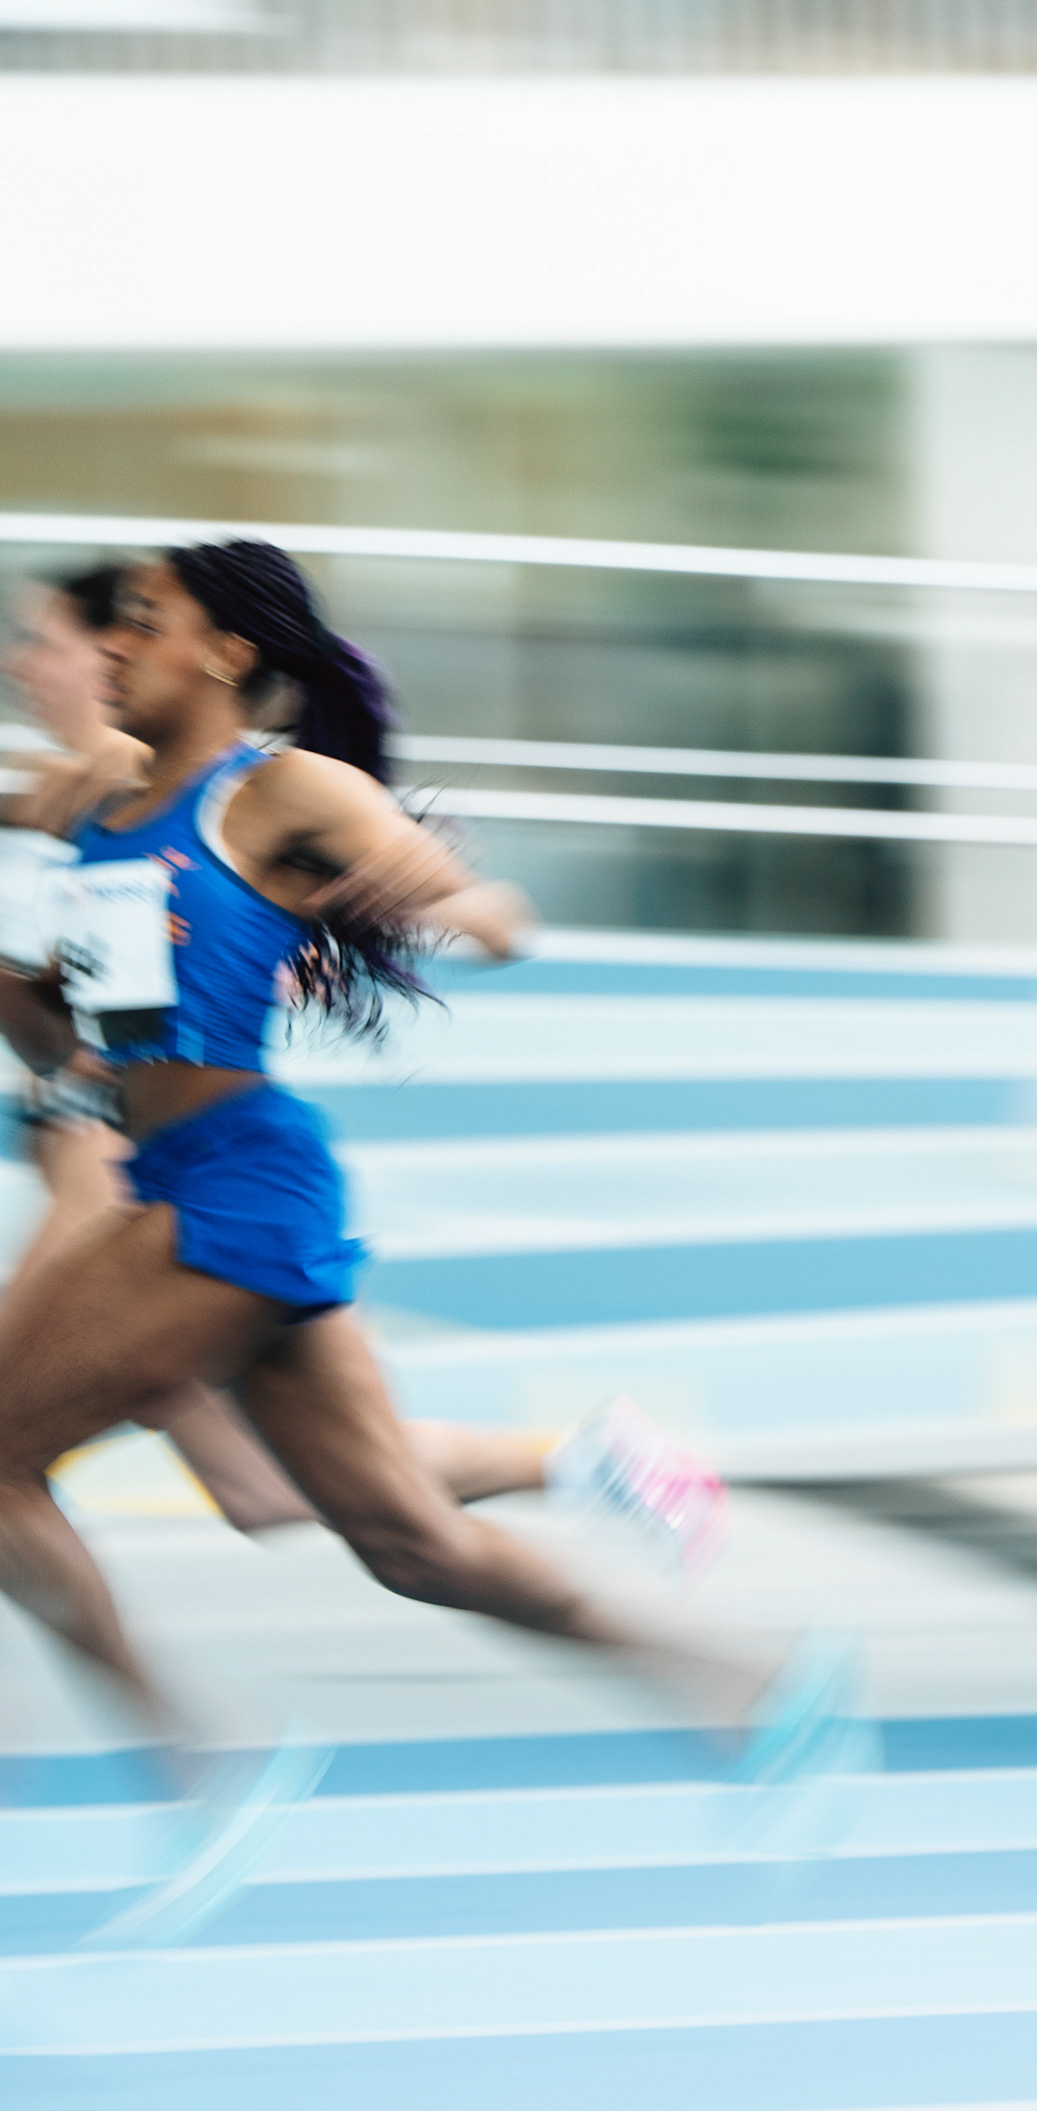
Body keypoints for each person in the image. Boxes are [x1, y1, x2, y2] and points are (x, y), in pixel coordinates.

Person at [0, 541, 845, 1945]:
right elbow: (57, 1022)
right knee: (407, 1542)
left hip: (233, 1193)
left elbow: (496, 918)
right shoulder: (90, 800)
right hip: (189, 1180)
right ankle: (748, 1689)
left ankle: (199, 1769)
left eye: (145, 621)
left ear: (224, 652)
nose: (112, 648)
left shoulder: (280, 791)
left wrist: (424, 901)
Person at [4, 570, 725, 1568]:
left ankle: (581, 1468)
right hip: (138, 1149)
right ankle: (584, 1460)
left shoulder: (165, 782)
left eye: (49, 640)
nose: (24, 663)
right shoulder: (85, 789)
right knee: (267, 1492)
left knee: (109, 1454)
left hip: (126, 1158)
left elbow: (454, 911)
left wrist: (421, 916)